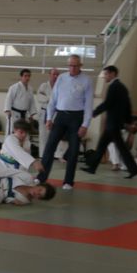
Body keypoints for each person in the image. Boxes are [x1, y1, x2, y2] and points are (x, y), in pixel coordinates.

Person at [36, 54, 94, 190]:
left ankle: (68, 181)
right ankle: (41, 177)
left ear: (80, 66)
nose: (72, 68)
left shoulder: (87, 80)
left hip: (77, 117)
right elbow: (53, 100)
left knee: (73, 150)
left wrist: (85, 125)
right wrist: (49, 118)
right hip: (61, 116)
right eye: (70, 65)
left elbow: (88, 105)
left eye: (75, 66)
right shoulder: (61, 78)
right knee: (50, 146)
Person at [81, 65, 137, 178]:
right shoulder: (122, 87)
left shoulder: (114, 87)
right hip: (115, 123)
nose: (104, 77)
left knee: (119, 147)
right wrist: (127, 120)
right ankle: (92, 167)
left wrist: (95, 112)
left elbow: (108, 103)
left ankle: (133, 169)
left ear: (113, 74)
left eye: (106, 74)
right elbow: (128, 105)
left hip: (113, 123)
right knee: (103, 145)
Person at [35, 68, 67, 160]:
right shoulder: (44, 86)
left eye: (57, 74)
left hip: (56, 112)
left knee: (56, 134)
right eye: (54, 74)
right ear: (50, 75)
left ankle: (57, 155)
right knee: (43, 134)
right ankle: (42, 155)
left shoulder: (61, 86)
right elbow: (39, 97)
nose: (55, 76)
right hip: (44, 111)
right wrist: (50, 99)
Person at [3, 69, 37, 140]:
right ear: (21, 77)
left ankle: (21, 149)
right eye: (25, 76)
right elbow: (9, 99)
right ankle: (8, 149)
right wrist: (7, 110)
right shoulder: (14, 87)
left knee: (24, 133)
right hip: (14, 114)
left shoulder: (30, 89)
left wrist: (31, 114)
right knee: (12, 132)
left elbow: (32, 102)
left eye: (29, 76)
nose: (27, 78)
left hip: (24, 115)